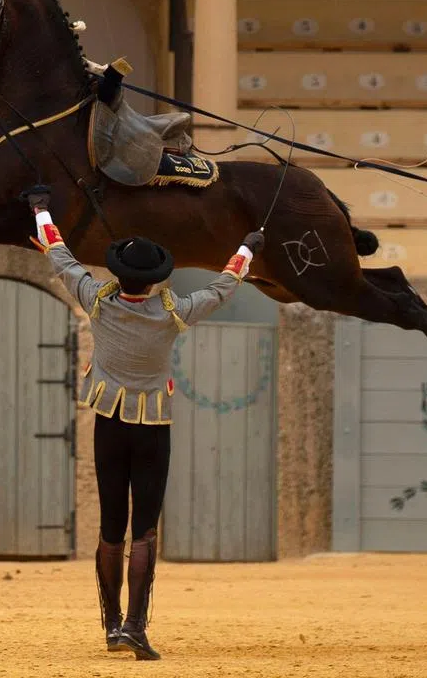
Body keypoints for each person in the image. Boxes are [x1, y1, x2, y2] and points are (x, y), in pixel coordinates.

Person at [25, 185, 262, 661]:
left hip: (109, 423)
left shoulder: (96, 299)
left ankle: (112, 625)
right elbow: (223, 287)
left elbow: (59, 254)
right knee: (145, 530)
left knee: (112, 528)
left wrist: (41, 208)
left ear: (119, 273)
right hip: (153, 426)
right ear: (154, 279)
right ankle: (135, 623)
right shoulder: (172, 314)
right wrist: (246, 249)